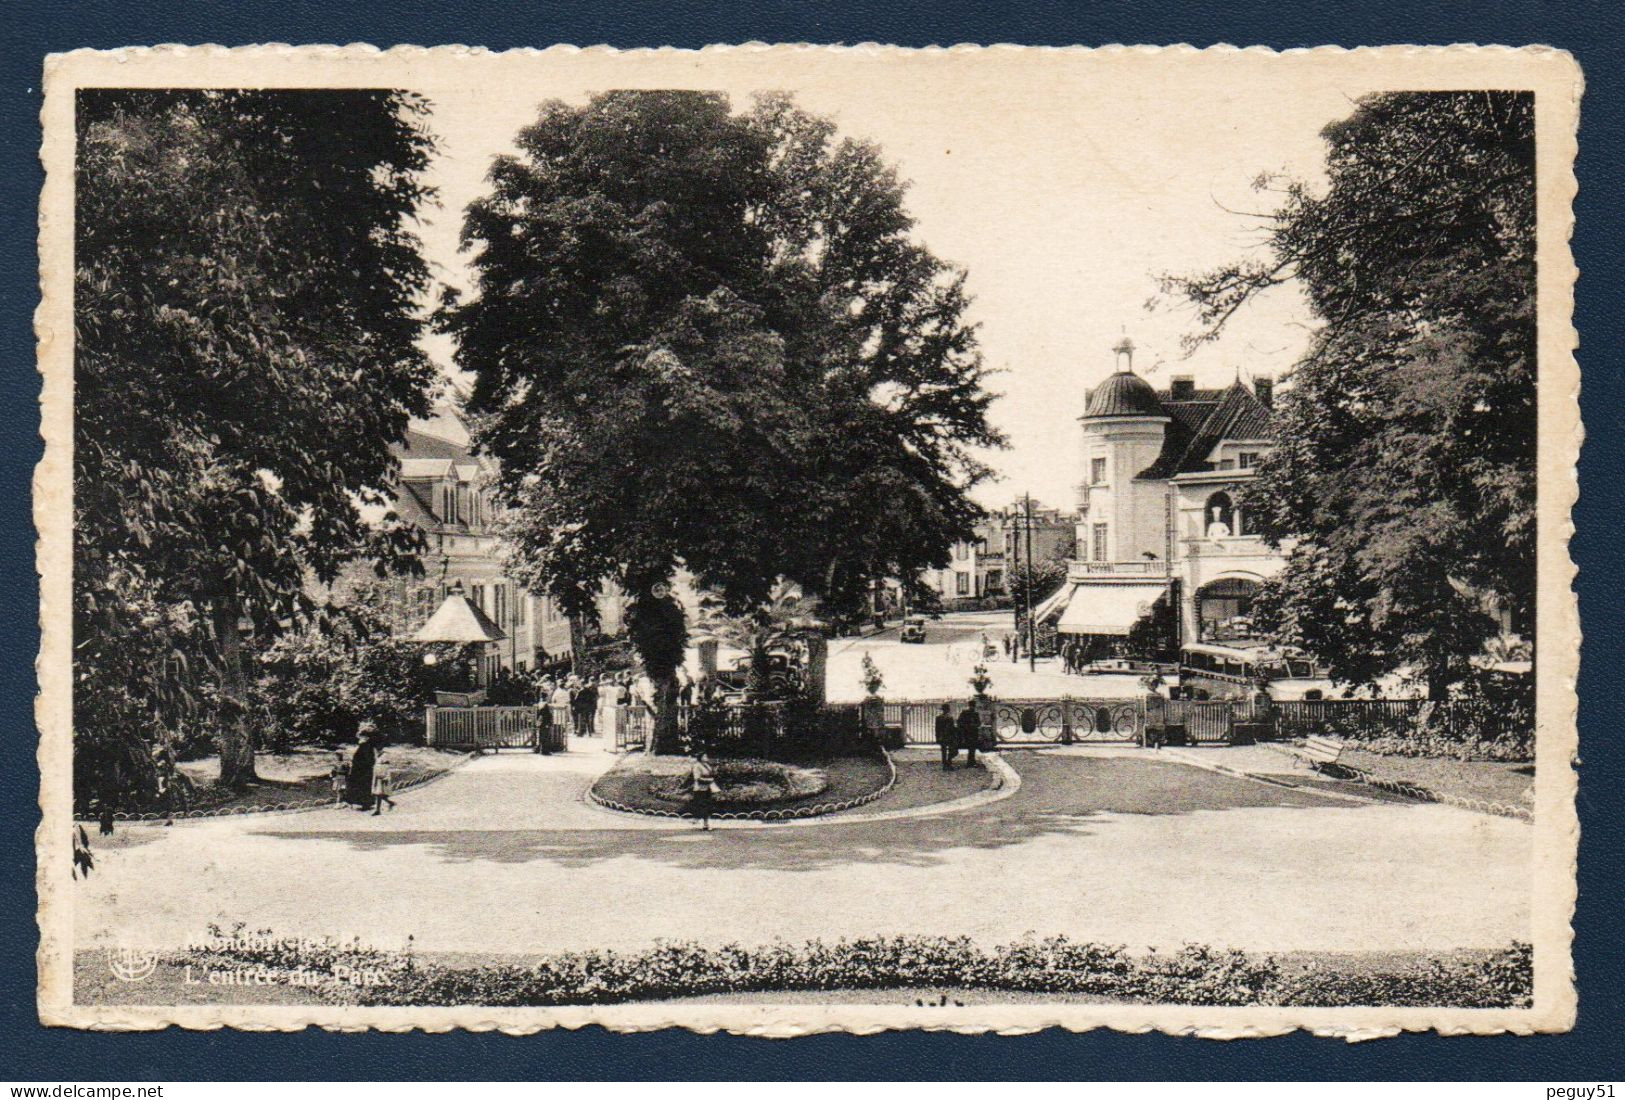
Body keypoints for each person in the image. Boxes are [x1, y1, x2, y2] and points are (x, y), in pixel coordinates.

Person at [344, 724, 378, 808]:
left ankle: (363, 803)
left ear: (365, 737)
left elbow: (366, 759)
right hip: (363, 768)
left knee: (361, 785)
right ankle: (364, 802)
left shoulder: (365, 746)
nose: (360, 738)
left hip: (361, 769)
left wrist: (355, 764)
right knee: (363, 785)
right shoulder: (367, 745)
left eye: (361, 736)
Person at [688, 751, 719, 831]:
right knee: (701, 806)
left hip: (707, 788)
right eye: (705, 756)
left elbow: (711, 774)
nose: (707, 758)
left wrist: (715, 772)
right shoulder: (697, 766)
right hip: (700, 789)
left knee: (708, 806)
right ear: (700, 757)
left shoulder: (707, 765)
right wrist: (709, 780)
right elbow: (697, 778)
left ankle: (706, 824)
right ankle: (699, 822)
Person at [956, 702, 982, 768]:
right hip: (966, 733)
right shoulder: (965, 713)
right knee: (971, 747)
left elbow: (979, 723)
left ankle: (971, 762)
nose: (972, 707)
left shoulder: (975, 714)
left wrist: (974, 725)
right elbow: (959, 722)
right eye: (971, 706)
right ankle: (971, 762)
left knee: (972, 748)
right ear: (969, 706)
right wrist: (966, 726)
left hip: (972, 733)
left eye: (973, 706)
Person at [371, 750, 396, 815]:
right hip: (376, 777)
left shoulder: (384, 754)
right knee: (379, 794)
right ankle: (390, 803)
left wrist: (386, 777)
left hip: (381, 778)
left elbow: (387, 766)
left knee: (379, 794)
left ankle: (378, 810)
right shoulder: (376, 753)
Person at [934, 703, 957, 770]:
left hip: (942, 736)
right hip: (949, 736)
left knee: (943, 751)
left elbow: (937, 729)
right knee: (952, 750)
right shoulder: (950, 718)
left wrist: (937, 737)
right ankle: (948, 762)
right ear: (948, 710)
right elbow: (952, 728)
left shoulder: (938, 717)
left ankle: (945, 764)